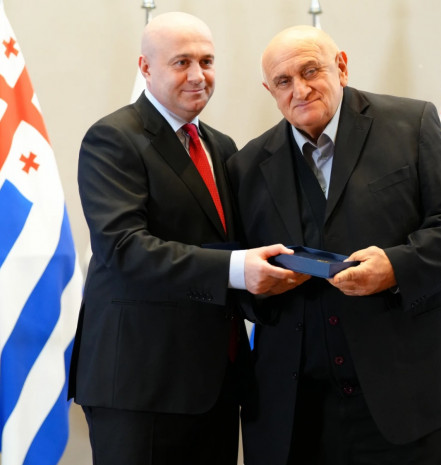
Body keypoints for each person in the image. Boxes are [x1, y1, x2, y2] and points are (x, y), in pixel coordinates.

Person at [226, 25, 441, 464]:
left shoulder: (412, 124)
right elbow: (242, 279)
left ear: (341, 67)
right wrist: (261, 286)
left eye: (311, 71)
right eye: (284, 81)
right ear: (270, 90)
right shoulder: (246, 165)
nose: (300, 90)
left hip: (406, 395)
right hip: (295, 412)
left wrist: (395, 267)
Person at [68, 12, 299, 465]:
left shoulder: (221, 146)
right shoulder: (113, 138)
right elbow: (123, 247)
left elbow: (237, 243)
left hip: (216, 384)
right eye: (181, 62)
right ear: (145, 67)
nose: (198, 76)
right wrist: (237, 270)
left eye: (207, 61)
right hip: (142, 386)